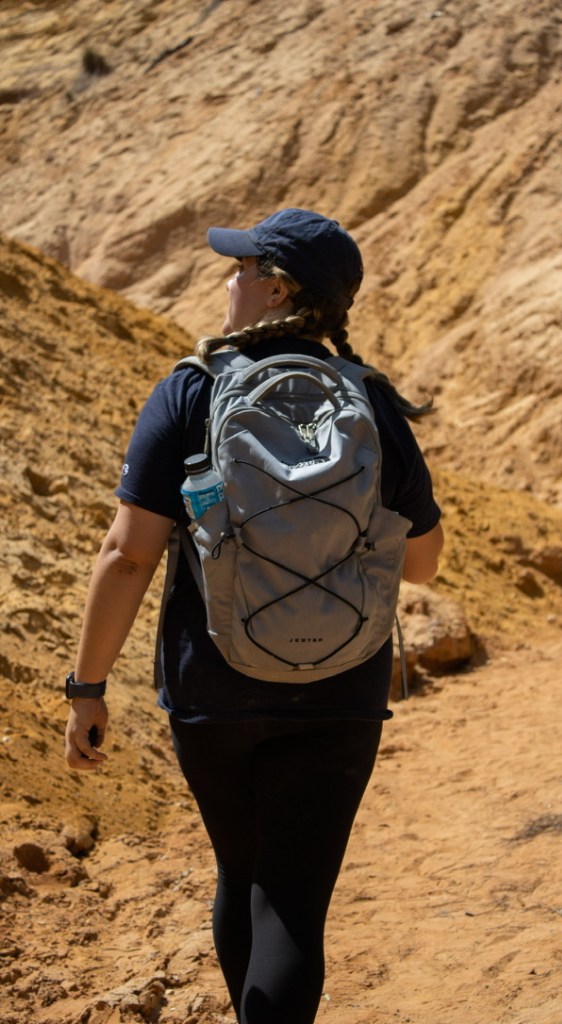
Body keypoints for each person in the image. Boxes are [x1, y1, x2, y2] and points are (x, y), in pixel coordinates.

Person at [65, 208, 444, 1024]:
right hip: (342, 688)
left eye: (241, 269)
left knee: (240, 874)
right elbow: (420, 563)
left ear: (277, 289)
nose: (229, 281)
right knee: (293, 901)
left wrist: (86, 687)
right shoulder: (371, 402)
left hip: (215, 686)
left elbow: (127, 556)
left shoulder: (192, 389)